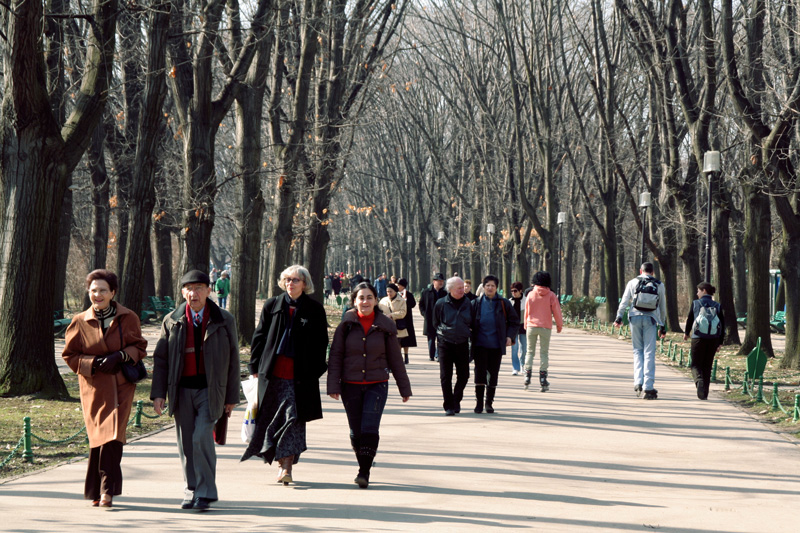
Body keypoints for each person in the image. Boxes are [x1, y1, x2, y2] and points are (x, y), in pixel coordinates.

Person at [151, 269, 240, 511]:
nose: (194, 293)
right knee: (186, 444)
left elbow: (233, 360)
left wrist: (232, 397)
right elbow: (161, 360)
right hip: (181, 391)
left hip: (211, 391)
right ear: (182, 292)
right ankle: (191, 489)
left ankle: (205, 492)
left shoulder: (224, 319)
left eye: (199, 288)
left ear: (209, 291)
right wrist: (159, 394)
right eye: (189, 289)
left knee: (202, 437)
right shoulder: (172, 320)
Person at [62, 269, 148, 508]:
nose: (97, 295)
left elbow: (140, 347)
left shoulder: (128, 317)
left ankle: (107, 492)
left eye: (102, 290)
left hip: (121, 385)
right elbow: (70, 356)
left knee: (113, 437)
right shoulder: (79, 321)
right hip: (94, 388)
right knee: (97, 438)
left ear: (113, 292)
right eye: (93, 291)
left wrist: (120, 356)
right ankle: (95, 490)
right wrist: (93, 363)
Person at [241, 265, 329, 485]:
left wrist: (317, 369)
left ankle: (285, 467)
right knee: (273, 420)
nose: (291, 283)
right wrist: (254, 367)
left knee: (293, 420)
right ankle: (281, 461)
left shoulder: (314, 309)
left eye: (296, 280)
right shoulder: (272, 305)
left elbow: (321, 343)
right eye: (287, 279)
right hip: (272, 375)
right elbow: (259, 337)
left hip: (300, 378)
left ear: (305, 284)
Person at [327, 283, 412, 488]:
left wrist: (404, 387)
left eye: (369, 297)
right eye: (361, 298)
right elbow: (336, 355)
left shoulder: (385, 325)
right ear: (354, 301)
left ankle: (364, 471)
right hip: (350, 385)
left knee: (369, 428)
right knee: (356, 431)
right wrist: (333, 385)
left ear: (376, 300)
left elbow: (395, 358)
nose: (365, 302)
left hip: (377, 384)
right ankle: (364, 460)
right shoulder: (345, 325)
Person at [614, 262, 667, 400]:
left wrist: (619, 317)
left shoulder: (633, 282)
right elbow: (662, 307)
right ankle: (648, 387)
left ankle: (638, 382)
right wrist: (662, 325)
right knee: (649, 351)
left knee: (637, 350)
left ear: (640, 270)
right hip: (651, 319)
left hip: (635, 318)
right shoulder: (659, 284)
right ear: (653, 272)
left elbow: (624, 301)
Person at [470, 275, 519, 413]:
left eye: (493, 285)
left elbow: (514, 322)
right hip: (479, 344)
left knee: (493, 374)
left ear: (496, 288)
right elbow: (468, 321)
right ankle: (479, 403)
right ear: (483, 287)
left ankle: (489, 403)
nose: (490, 288)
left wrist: (509, 336)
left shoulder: (504, 303)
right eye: (487, 285)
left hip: (496, 345)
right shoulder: (476, 303)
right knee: (479, 373)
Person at [433, 276, 474, 415]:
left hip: (462, 343)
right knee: (446, 376)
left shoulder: (469, 303)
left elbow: (473, 323)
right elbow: (435, 322)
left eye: (463, 287)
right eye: (459, 288)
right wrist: (443, 334)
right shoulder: (441, 303)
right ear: (450, 289)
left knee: (464, 375)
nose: (462, 290)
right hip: (445, 343)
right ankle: (449, 405)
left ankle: (456, 399)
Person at [683, 282, 725, 400]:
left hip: (698, 338)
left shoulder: (696, 303)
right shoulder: (717, 305)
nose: (697, 293)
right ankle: (704, 394)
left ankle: (699, 381)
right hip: (713, 339)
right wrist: (720, 342)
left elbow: (690, 319)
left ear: (704, 291)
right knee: (707, 366)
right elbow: (722, 324)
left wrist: (686, 333)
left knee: (695, 364)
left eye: (698, 291)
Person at [523, 272, 563, 391]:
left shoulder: (530, 294)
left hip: (531, 326)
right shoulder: (551, 295)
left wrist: (526, 324)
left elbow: (527, 311)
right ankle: (543, 378)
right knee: (544, 353)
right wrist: (559, 325)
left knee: (530, 351)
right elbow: (557, 311)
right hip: (545, 326)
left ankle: (527, 374)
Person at [419, 272, 447, 361]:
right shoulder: (426, 292)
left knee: (441, 337)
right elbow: (421, 304)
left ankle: (438, 354)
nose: (441, 283)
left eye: (442, 281)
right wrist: (424, 314)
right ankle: (431, 355)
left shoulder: (445, 293)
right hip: (430, 318)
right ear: (434, 281)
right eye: (439, 281)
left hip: (441, 319)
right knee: (431, 338)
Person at [379, 283, 408, 350]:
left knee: (396, 347)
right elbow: (379, 312)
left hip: (397, 328)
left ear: (395, 291)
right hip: (385, 327)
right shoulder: (383, 301)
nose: (389, 293)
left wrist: (391, 315)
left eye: (390, 291)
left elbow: (403, 312)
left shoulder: (402, 301)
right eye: (387, 291)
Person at [508, 281, 528, 375]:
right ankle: (515, 368)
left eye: (515, 291)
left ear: (520, 291)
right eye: (512, 291)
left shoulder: (527, 300)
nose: (513, 293)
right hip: (513, 328)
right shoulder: (509, 301)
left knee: (524, 348)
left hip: (524, 326)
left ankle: (523, 365)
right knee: (514, 348)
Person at [396, 278, 417, 364]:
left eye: (399, 285)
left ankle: (406, 355)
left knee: (407, 339)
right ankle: (399, 355)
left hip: (407, 319)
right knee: (399, 338)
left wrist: (406, 301)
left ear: (403, 286)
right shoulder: (395, 294)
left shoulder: (409, 294)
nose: (397, 286)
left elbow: (413, 304)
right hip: (398, 318)